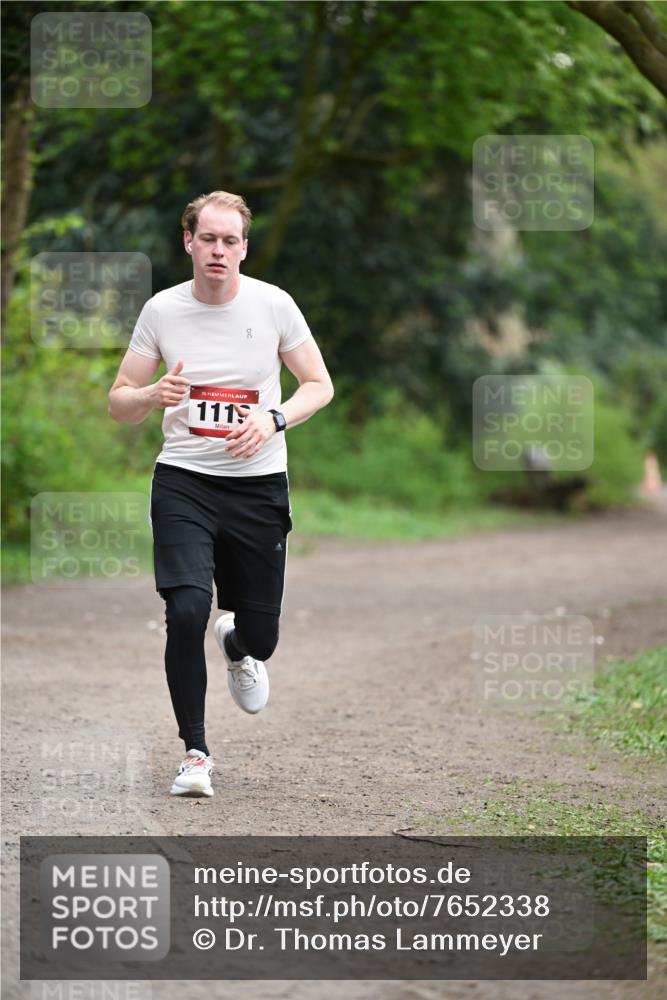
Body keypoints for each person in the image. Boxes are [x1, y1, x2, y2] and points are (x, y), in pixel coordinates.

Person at [108, 190, 333, 798]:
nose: (218, 250)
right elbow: (119, 401)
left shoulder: (273, 305)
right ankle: (196, 753)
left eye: (229, 241)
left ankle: (237, 644)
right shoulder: (162, 311)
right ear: (189, 242)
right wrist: (152, 395)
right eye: (207, 238)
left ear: (243, 248)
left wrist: (275, 418)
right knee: (184, 611)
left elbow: (318, 384)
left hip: (258, 485)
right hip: (183, 479)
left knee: (262, 636)